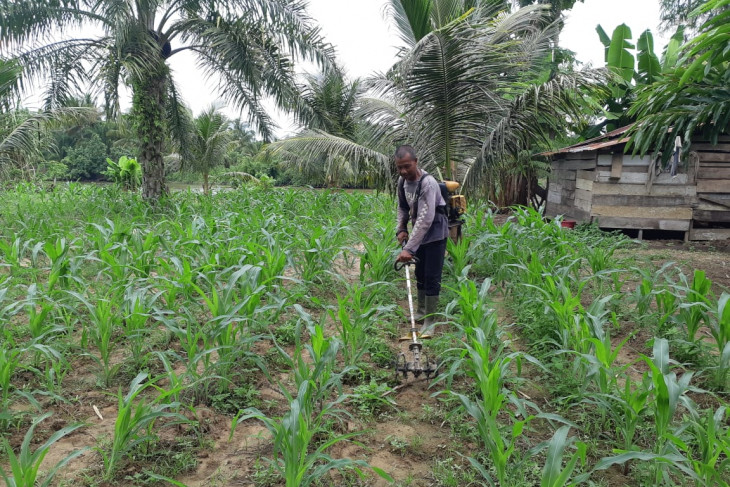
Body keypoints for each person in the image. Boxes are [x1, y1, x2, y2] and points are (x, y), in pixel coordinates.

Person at [394, 145, 449, 334]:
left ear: (416, 162)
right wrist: (401, 228)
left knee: (432, 276)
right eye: (399, 167)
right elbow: (402, 207)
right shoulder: (402, 182)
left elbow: (426, 219)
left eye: (407, 166)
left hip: (434, 234)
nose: (403, 171)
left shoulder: (428, 183)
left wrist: (409, 249)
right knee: (420, 274)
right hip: (419, 235)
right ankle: (422, 311)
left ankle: (431, 322)